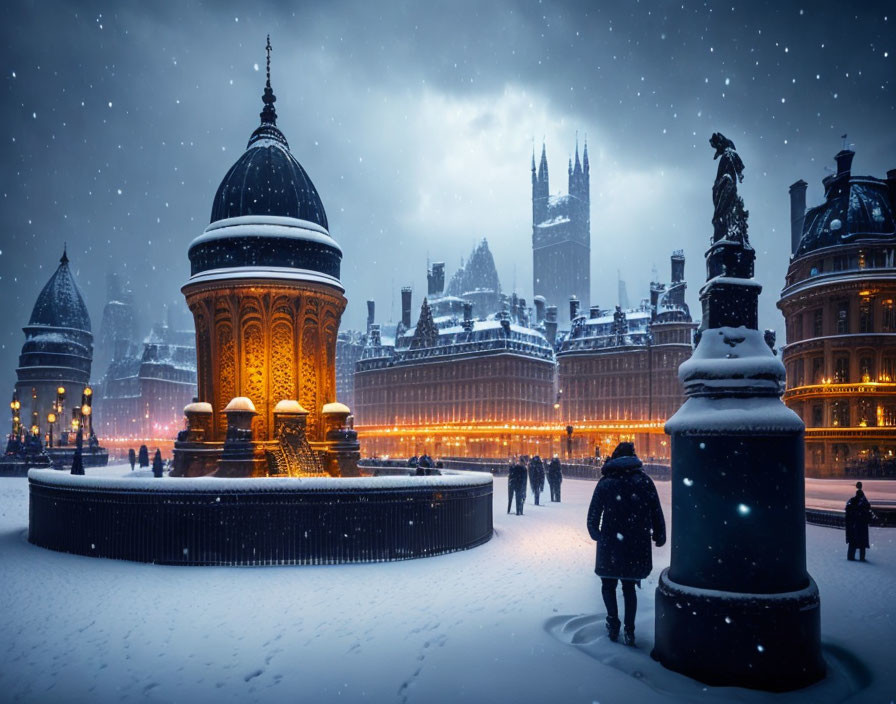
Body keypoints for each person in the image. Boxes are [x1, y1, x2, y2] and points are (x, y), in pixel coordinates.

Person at [586, 442, 665, 647]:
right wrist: (659, 533)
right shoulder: (643, 481)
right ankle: (630, 630)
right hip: (635, 542)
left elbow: (593, 514)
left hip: (611, 542)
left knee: (608, 583)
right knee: (629, 586)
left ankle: (613, 622)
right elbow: (656, 510)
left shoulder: (605, 482)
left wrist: (597, 534)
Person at [845, 481, 872, 561]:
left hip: (854, 525)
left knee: (852, 542)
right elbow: (868, 512)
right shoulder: (864, 502)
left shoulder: (852, 501)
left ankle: (850, 557)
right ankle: (862, 558)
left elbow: (848, 511)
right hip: (861, 526)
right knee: (862, 543)